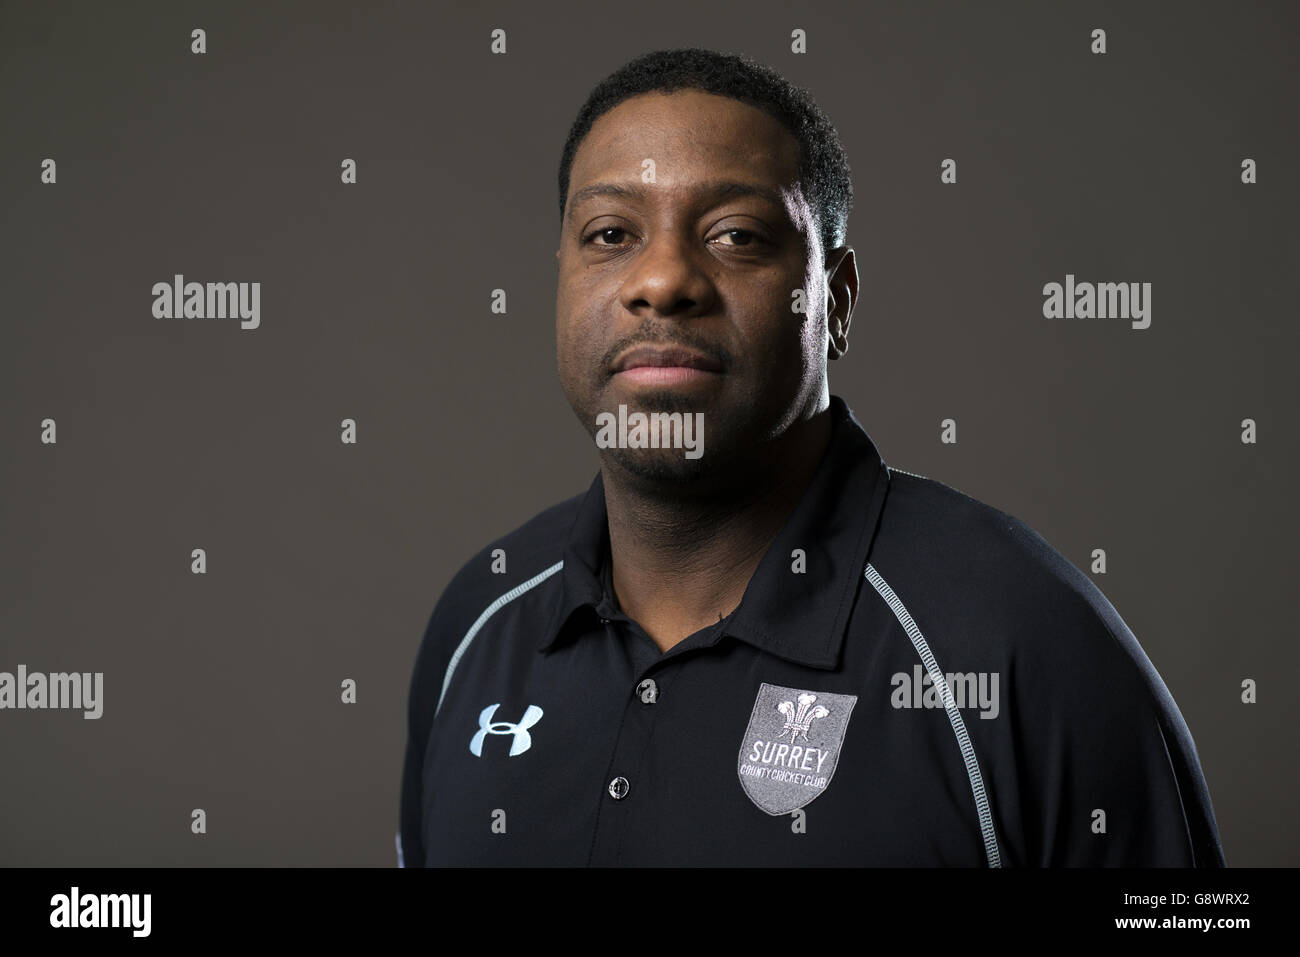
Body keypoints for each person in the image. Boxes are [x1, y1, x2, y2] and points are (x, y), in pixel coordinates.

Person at [398, 47, 1225, 867]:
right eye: (611, 233)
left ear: (837, 302)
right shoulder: (480, 620)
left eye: (736, 235)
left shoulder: (1020, 644)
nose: (662, 279)